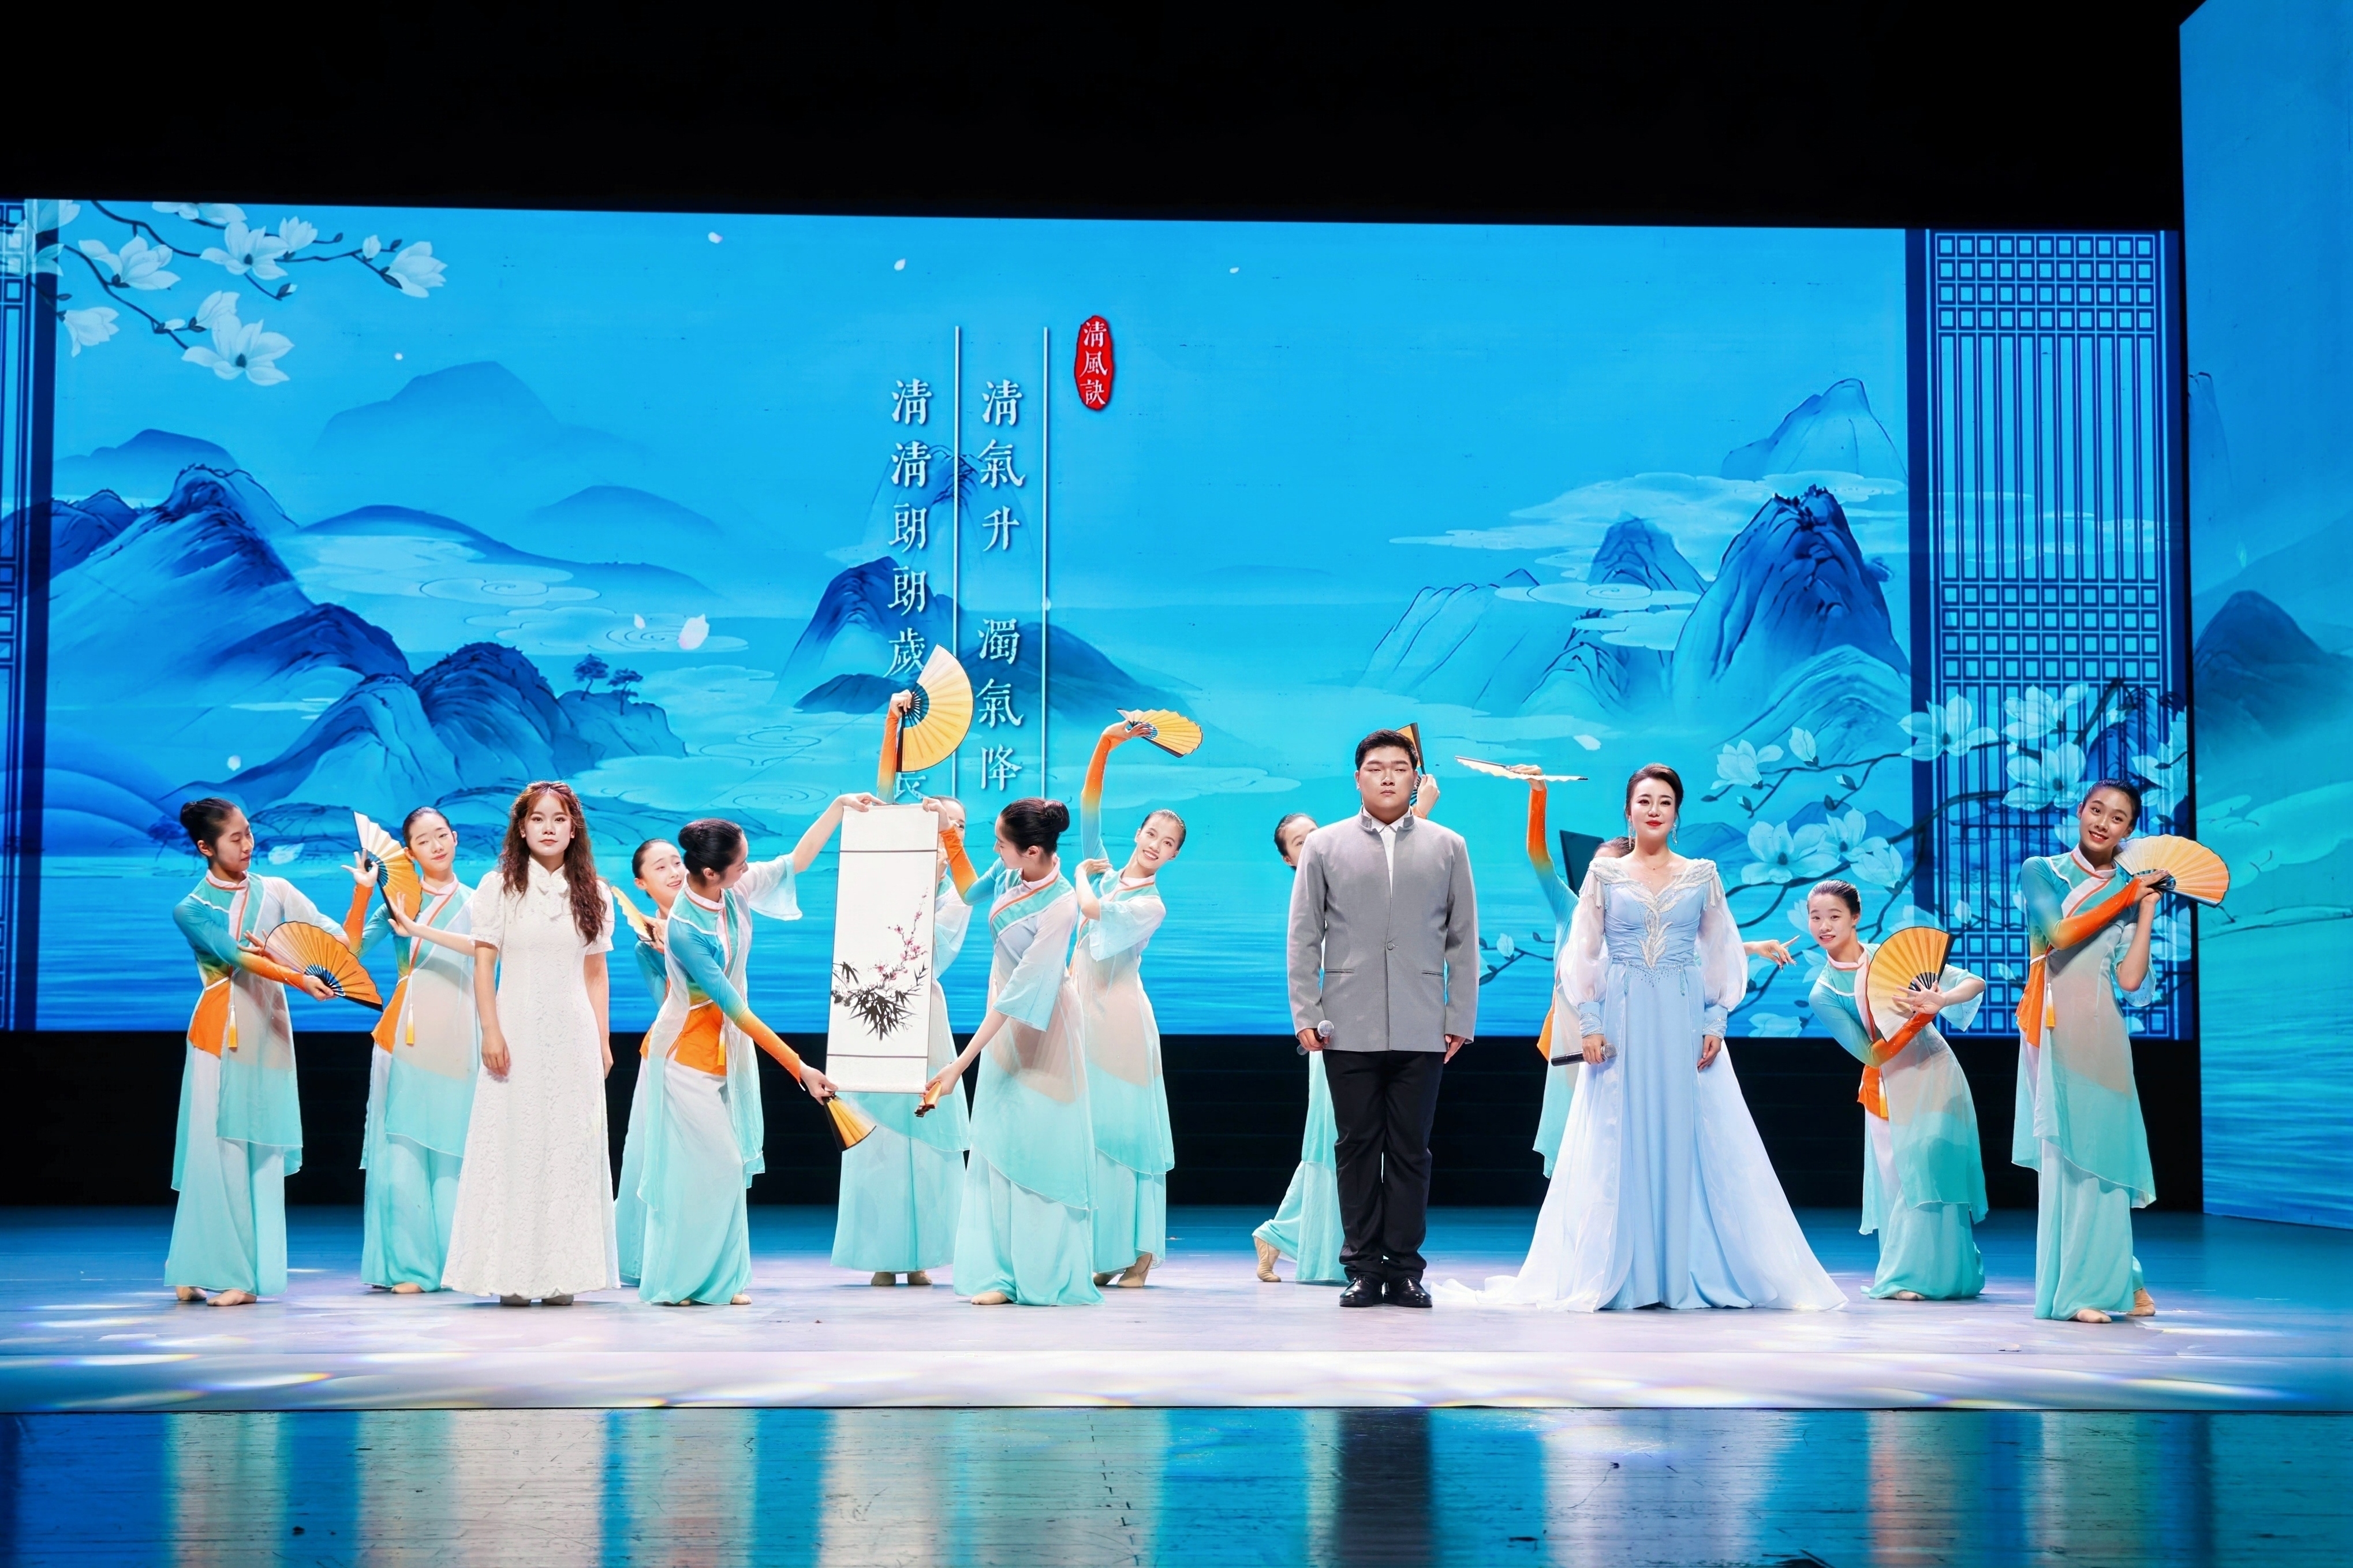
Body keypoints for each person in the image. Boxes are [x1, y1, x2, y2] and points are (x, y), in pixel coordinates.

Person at [1452, 763, 1843, 1312]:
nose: (1654, 809)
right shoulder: (1604, 875)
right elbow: (1584, 951)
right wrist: (1590, 1020)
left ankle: (1686, 1265)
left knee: (1691, 1131)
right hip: (1623, 1013)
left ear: (1677, 813)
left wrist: (1716, 1019)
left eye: (1664, 801)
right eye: (1644, 800)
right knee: (1620, 1131)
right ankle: (1624, 1268)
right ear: (1629, 811)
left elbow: (1719, 947)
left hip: (1683, 1012)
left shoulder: (1702, 874)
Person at [1286, 729, 1479, 1308]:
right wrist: (1306, 1010)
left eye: (1400, 766)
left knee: (1411, 1150)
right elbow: (1303, 935)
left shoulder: (1448, 845)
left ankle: (1405, 1269)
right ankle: (1363, 1267)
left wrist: (1460, 1015)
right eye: (1376, 767)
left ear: (1416, 777)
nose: (1388, 776)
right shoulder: (1324, 845)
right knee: (1356, 1146)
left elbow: (1463, 938)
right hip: (1347, 1020)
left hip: (1423, 1020)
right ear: (1358, 778)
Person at [634, 817, 845, 1306]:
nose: (748, 867)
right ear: (711, 871)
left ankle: (718, 1281)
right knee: (715, 1168)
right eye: (741, 862)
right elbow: (736, 1009)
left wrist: (838, 808)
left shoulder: (732, 890)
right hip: (685, 1057)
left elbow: (796, 862)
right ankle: (681, 1282)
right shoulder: (685, 929)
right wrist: (800, 1068)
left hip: (726, 1053)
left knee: (719, 1171)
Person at [441, 782, 619, 1306]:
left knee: (569, 1148)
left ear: (574, 828)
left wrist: (603, 1040)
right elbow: (484, 966)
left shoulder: (595, 892)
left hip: (573, 1035)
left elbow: (596, 974)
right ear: (521, 828)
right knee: (513, 1144)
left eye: (559, 819)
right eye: (538, 819)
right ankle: (513, 1273)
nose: (548, 828)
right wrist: (491, 1030)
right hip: (515, 1029)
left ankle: (564, 1272)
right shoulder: (498, 887)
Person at [164, 798, 343, 1305]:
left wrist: (361, 897)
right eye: (235, 838)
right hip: (220, 1035)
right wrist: (298, 978)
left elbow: (333, 939)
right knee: (215, 1151)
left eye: (249, 832)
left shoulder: (277, 890)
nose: (248, 844)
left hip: (267, 1031)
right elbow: (236, 956)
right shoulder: (192, 909)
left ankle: (233, 1270)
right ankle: (217, 1270)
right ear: (206, 848)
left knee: (258, 1152)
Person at [924, 798, 1097, 1306]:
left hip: (1042, 1025)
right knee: (1000, 1141)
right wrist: (948, 834)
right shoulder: (1009, 874)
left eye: (1001, 844)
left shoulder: (1061, 905)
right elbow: (968, 890)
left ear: (1033, 851)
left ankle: (1042, 1274)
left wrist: (959, 1065)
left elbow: (1021, 994)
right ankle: (1002, 1272)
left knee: (1040, 1145)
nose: (995, 850)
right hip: (1001, 1019)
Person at [2015, 779, 2165, 1324]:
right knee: (2069, 1161)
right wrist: (2125, 897)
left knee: (2107, 1162)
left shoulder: (2129, 887)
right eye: (2096, 810)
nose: (2103, 823)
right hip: (2054, 1028)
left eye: (2118, 818)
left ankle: (2120, 1280)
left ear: (2130, 830)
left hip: (2105, 1035)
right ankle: (2079, 1290)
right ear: (2080, 811)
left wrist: (2146, 911)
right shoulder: (2043, 871)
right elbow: (2059, 933)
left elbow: (2130, 980)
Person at [1806, 879, 1989, 1301]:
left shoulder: (1891, 958)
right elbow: (1872, 1054)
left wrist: (1941, 1001)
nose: (1824, 926)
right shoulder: (1824, 992)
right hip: (1888, 1083)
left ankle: (1953, 1272)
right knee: (1902, 1179)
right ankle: (1905, 1275)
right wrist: (1917, 1019)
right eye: (1816, 918)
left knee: (1938, 1165)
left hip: (1936, 1070)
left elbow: (1973, 983)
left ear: (1855, 917)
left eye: (1834, 916)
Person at [832, 791, 976, 1287]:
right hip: (875, 1013)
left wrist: (928, 881)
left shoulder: (957, 896)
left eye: (957, 826)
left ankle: (919, 1255)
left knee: (923, 1136)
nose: (948, 831)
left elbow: (926, 953)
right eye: (939, 821)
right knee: (879, 1136)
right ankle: (881, 1252)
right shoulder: (885, 878)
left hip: (922, 1014)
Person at [1071, 718, 1186, 1288]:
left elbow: (1092, 911)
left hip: (1119, 1019)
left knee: (1125, 1134)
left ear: (1172, 856)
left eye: (1167, 843)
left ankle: (1138, 1253)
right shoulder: (1110, 875)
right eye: (1151, 833)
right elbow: (1088, 810)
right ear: (1138, 832)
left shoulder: (1149, 904)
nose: (1154, 845)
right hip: (1083, 1015)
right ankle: (1106, 1249)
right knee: (1092, 1135)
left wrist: (1077, 875)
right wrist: (1105, 744)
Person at [352, 807, 481, 1293]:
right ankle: (409, 1266)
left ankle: (457, 1263)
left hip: (460, 1033)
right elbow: (350, 951)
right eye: (424, 841)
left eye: (442, 835)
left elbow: (488, 951)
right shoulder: (397, 901)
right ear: (408, 853)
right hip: (405, 1035)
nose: (437, 846)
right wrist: (365, 893)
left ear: (456, 837)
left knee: (455, 1150)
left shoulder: (480, 901)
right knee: (403, 1150)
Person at [613, 838, 684, 1286]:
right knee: (656, 1154)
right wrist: (668, 953)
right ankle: (651, 1258)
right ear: (641, 884)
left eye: (677, 862)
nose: (675, 871)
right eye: (661, 867)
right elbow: (671, 1006)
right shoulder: (646, 942)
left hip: (720, 1047)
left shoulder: (714, 917)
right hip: (672, 1052)